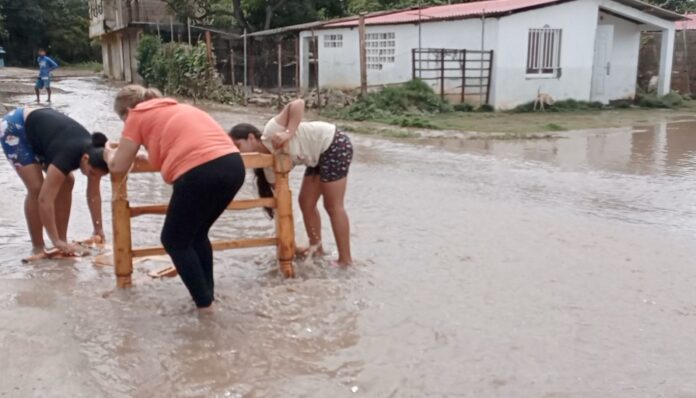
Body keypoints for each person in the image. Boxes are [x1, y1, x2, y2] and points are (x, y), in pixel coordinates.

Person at [105, 85, 245, 309]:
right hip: (233, 166)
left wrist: (108, 152)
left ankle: (204, 306)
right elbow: (179, 146)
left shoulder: (136, 114)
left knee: (173, 240)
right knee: (196, 235)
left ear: (126, 112)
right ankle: (208, 296)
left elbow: (118, 165)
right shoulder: (177, 107)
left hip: (200, 171)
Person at [229, 98, 353, 266]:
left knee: (332, 206)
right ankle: (317, 248)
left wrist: (288, 132)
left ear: (251, 138)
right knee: (305, 202)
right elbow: (280, 202)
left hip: (333, 143)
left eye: (238, 146)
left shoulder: (272, 130)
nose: (238, 152)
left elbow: (298, 104)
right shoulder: (268, 167)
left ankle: (345, 260)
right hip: (315, 158)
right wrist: (290, 243)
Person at [0, 107, 109, 255]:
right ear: (85, 159)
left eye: (97, 176)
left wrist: (98, 228)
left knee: (67, 181)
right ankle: (38, 246)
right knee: (37, 188)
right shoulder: (68, 155)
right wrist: (54, 239)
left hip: (46, 138)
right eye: (91, 173)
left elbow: (93, 195)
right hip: (16, 128)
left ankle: (62, 240)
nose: (93, 178)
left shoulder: (97, 155)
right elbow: (45, 199)